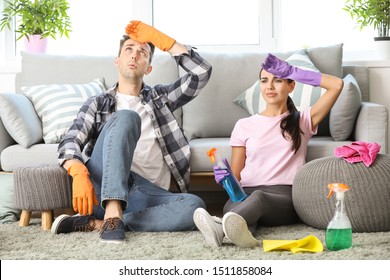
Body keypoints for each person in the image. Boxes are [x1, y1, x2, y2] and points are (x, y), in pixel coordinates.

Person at [51, 20, 212, 243]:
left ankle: (100, 223)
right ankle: (113, 211)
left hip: (146, 195)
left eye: (142, 52)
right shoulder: (98, 103)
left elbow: (201, 73)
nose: (135, 55)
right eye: (129, 50)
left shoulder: (160, 99)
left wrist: (163, 41)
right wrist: (78, 171)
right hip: (104, 189)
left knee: (195, 206)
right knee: (127, 117)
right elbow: (70, 141)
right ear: (117, 61)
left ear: (149, 68)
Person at [193, 53, 343, 248]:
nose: (269, 86)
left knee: (257, 200)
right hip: (245, 194)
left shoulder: (303, 121)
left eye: (278, 80)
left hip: (284, 198)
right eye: (264, 81)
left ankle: (220, 229)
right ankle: (242, 232)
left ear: (291, 85)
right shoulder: (243, 125)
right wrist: (226, 178)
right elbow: (237, 175)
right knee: (233, 207)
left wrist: (293, 72)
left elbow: (336, 85)